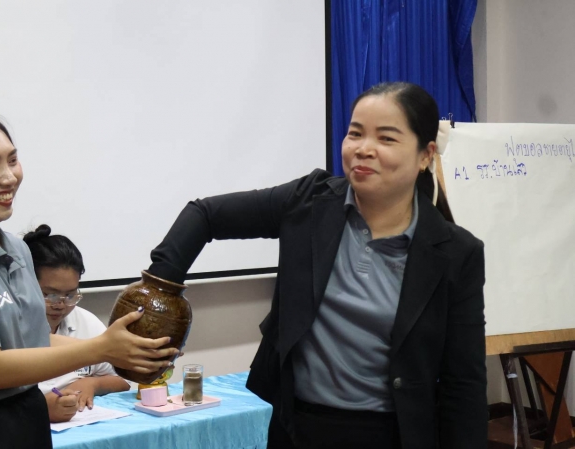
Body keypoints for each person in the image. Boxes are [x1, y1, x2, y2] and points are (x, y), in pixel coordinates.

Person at [144, 82, 487, 449]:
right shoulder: (308, 202)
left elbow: (463, 384)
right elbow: (205, 215)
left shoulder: (456, 253)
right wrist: (157, 295)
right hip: (294, 427)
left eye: (386, 138)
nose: (363, 149)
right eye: (355, 133)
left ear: (425, 155)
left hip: (393, 435)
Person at [0, 110, 177, 449]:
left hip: (27, 417)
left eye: (12, 160)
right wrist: (100, 348)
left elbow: (34, 340)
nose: (9, 177)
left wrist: (121, 348)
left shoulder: (18, 250)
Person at [22, 224, 130, 423]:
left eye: (71, 295)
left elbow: (123, 381)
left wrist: (92, 384)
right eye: (50, 295)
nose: (61, 305)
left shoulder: (85, 321)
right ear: (24, 284)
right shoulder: (10, 328)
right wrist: (42, 408)